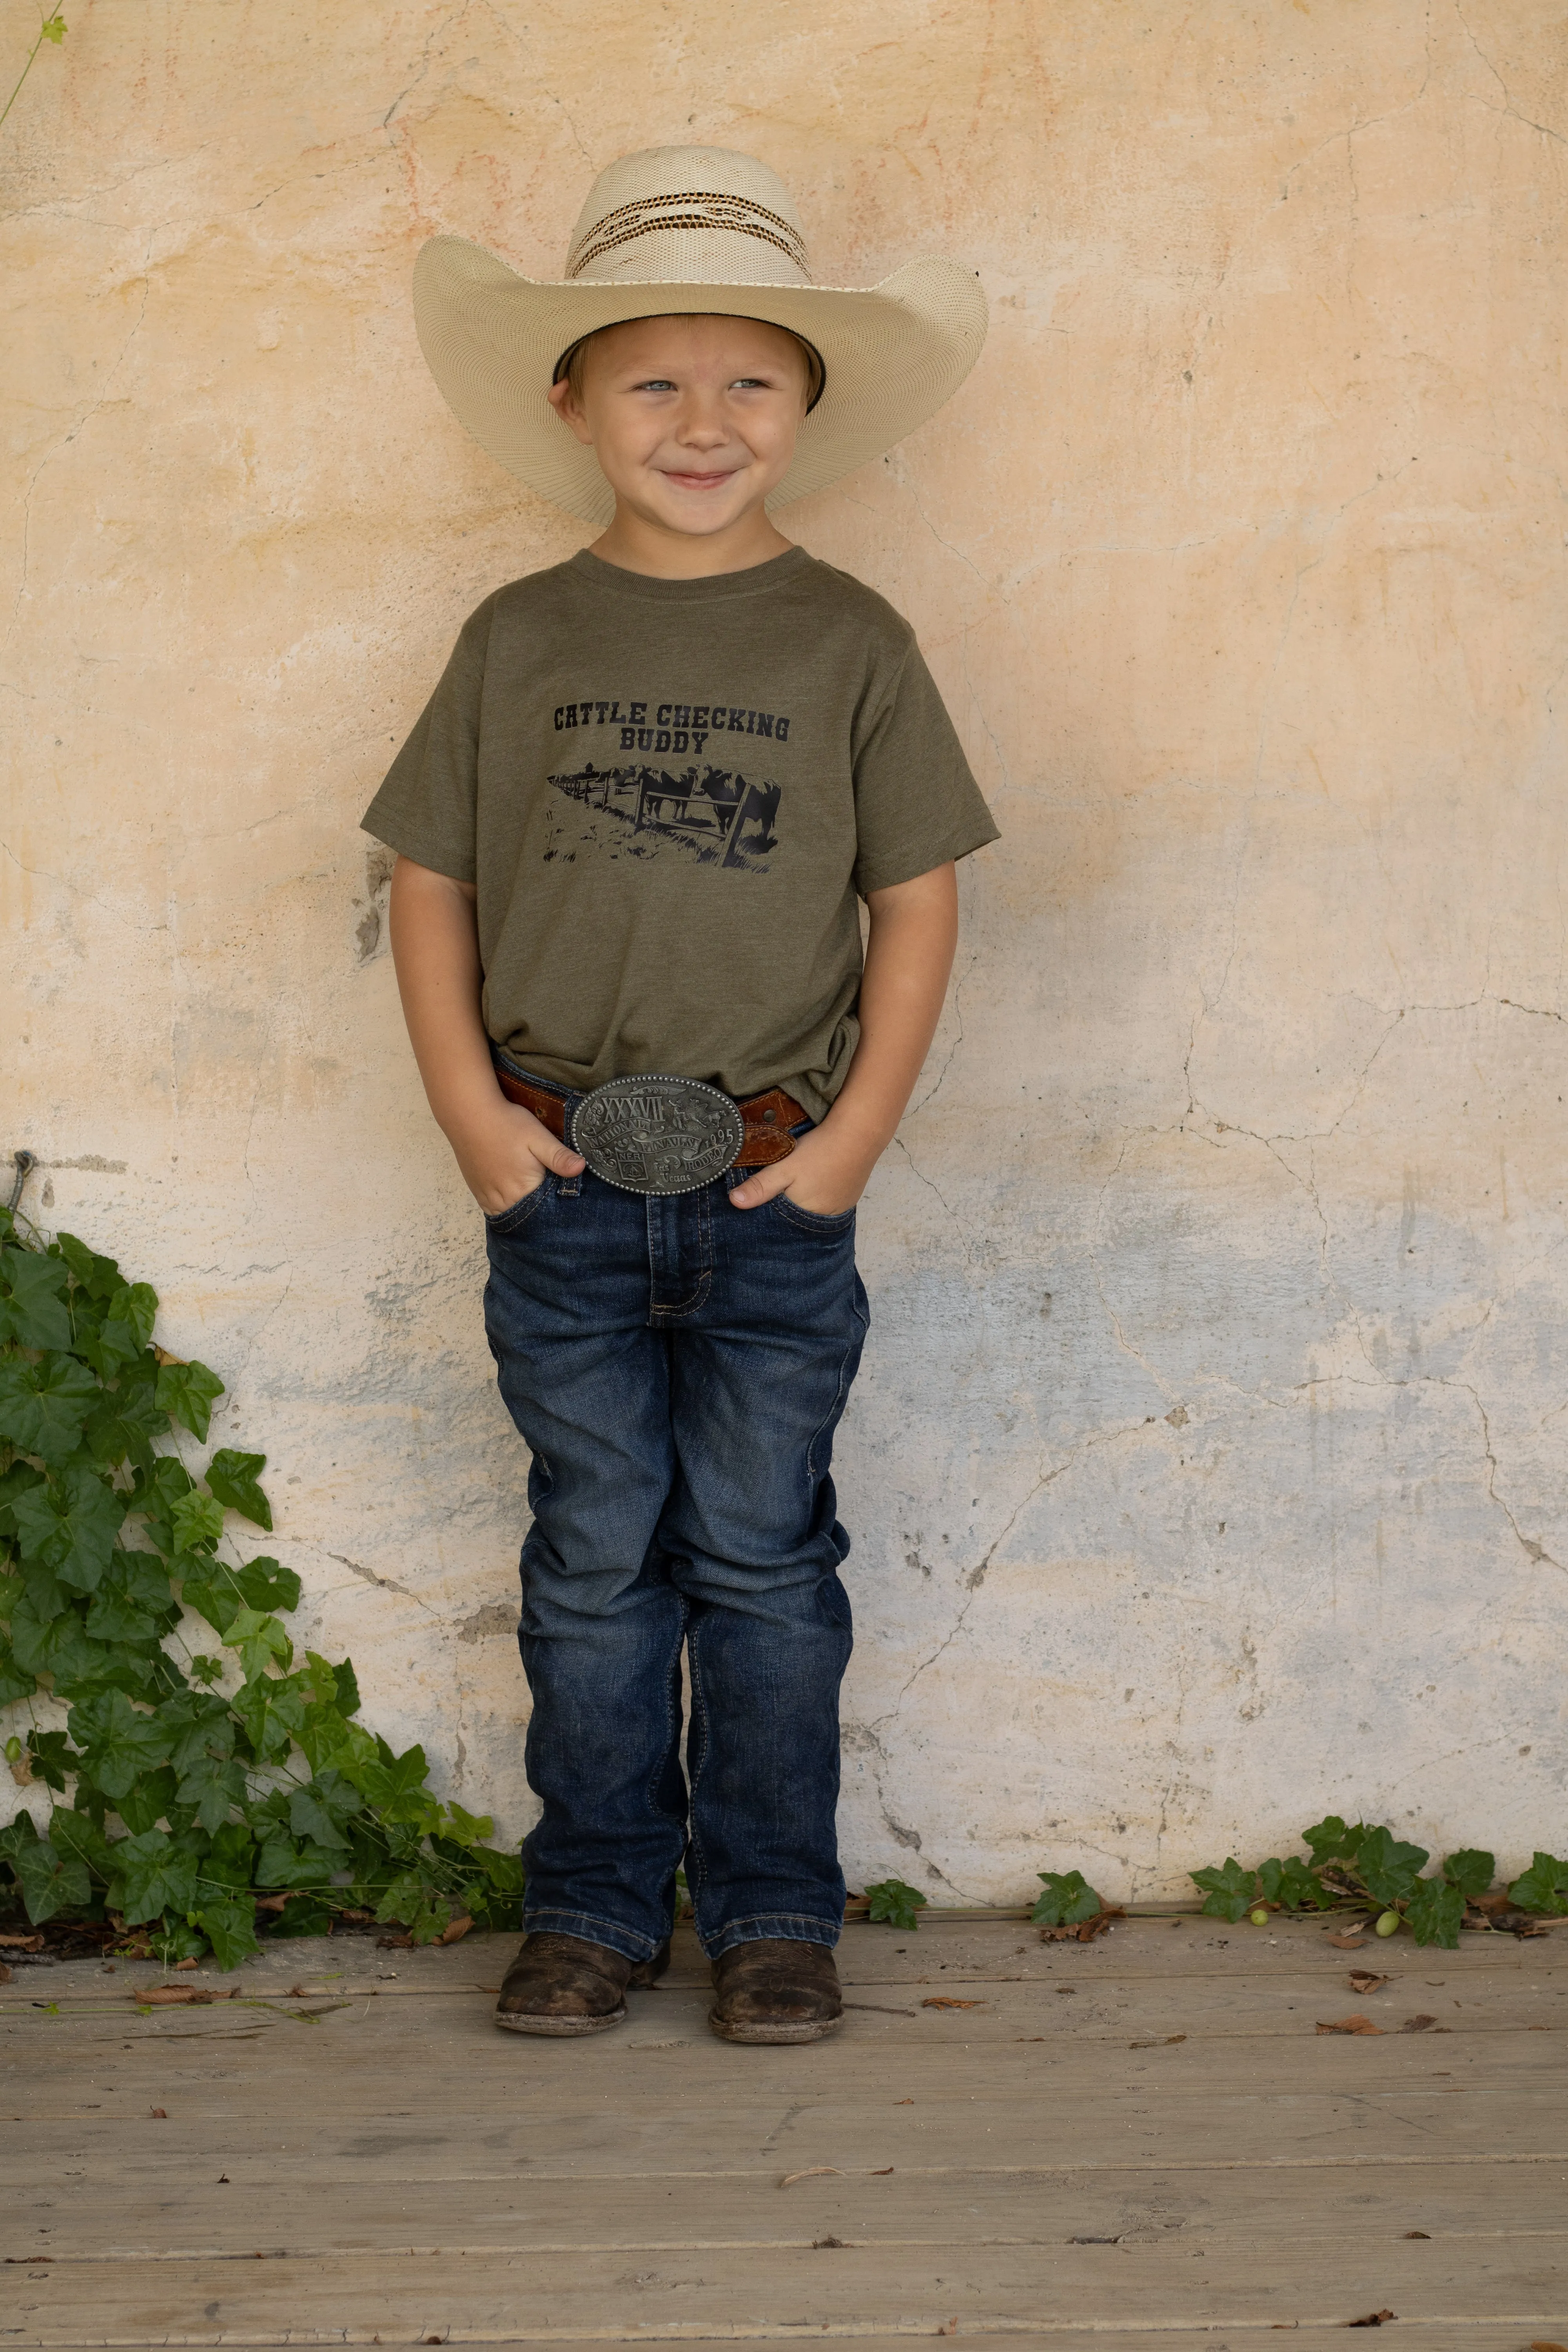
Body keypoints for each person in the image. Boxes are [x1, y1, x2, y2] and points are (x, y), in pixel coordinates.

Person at [362, 146, 997, 2045]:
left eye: (752, 381)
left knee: (764, 1561)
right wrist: (479, 1126)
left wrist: (854, 1149)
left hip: (772, 1190)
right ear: (570, 401)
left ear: (808, 406)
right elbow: (430, 883)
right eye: (654, 377)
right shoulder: (518, 639)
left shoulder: (849, 641)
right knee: (590, 1557)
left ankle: (776, 1916)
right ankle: (590, 1908)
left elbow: (917, 900)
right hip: (556, 1186)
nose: (703, 421)